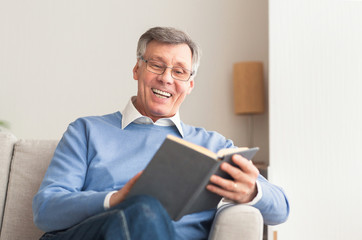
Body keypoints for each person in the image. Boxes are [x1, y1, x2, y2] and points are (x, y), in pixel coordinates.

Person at [33, 26, 289, 240]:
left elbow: (282, 209)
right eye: (156, 65)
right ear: (137, 70)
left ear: (189, 85)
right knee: (144, 209)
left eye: (179, 71)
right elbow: (45, 210)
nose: (166, 78)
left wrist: (252, 192)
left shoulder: (212, 145)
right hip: (98, 232)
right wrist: (116, 199)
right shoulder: (86, 131)